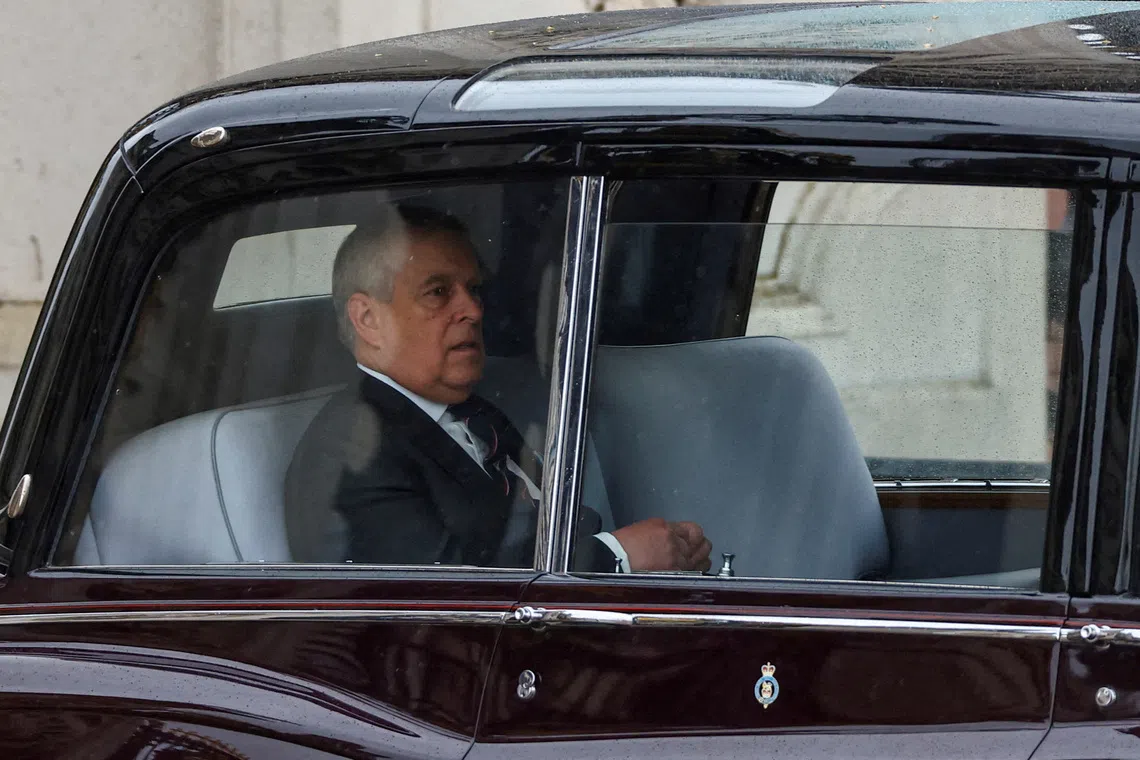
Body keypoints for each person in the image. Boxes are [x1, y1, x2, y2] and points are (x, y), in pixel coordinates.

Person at [284, 203, 712, 572]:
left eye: (473, 290)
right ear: (369, 320)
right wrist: (617, 556)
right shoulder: (349, 453)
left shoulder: (467, 413)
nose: (472, 309)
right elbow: (443, 598)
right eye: (438, 292)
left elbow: (550, 522)